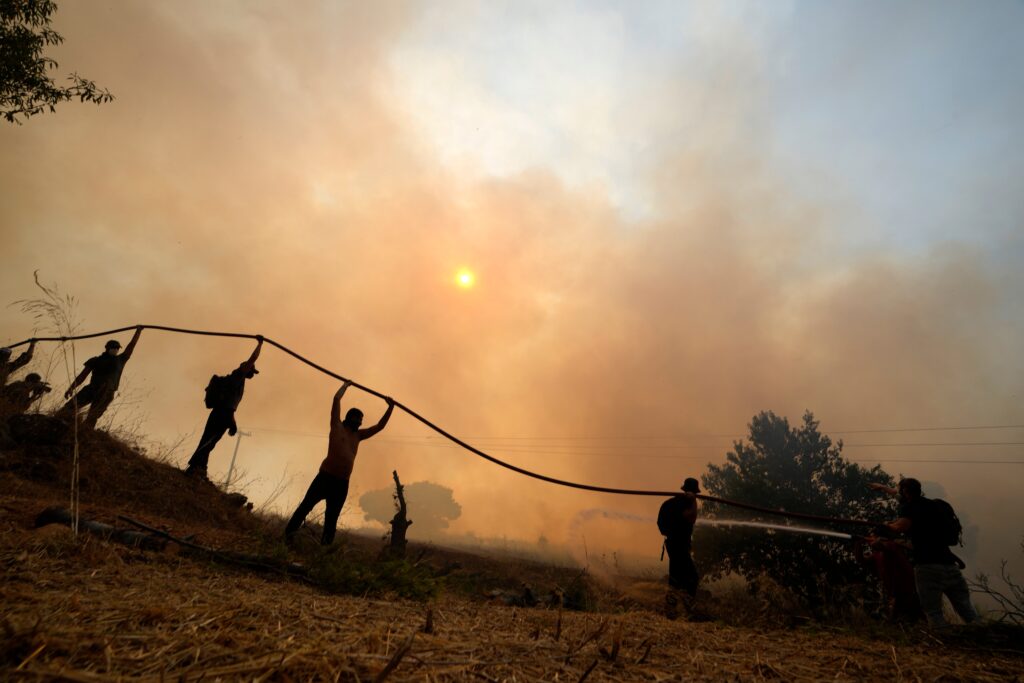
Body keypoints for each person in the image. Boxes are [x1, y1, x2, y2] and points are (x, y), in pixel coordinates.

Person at [285, 381, 395, 546]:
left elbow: (379, 426)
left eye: (361, 420)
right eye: (357, 418)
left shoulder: (359, 436)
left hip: (341, 483)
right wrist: (345, 386)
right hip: (325, 478)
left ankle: (325, 550)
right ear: (349, 417)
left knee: (332, 518)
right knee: (305, 507)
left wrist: (390, 407)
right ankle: (288, 537)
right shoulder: (336, 426)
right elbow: (336, 400)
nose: (359, 422)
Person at [869, 478, 977, 629]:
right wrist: (882, 487)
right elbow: (920, 536)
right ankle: (986, 637)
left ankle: (944, 643)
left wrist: (882, 528)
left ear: (905, 492)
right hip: (950, 567)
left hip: (928, 569)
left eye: (900, 490)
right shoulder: (933, 505)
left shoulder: (909, 509)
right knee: (967, 610)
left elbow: (900, 527)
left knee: (933, 613)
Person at [184, 337, 263, 480]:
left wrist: (232, 423)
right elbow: (253, 358)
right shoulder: (238, 375)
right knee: (208, 442)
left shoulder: (237, 379)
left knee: (209, 442)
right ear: (246, 368)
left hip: (221, 413)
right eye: (252, 370)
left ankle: (200, 469)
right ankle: (195, 469)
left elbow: (229, 406)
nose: (253, 373)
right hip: (222, 414)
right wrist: (260, 344)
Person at [58, 327, 142, 429]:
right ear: (107, 348)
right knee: (68, 408)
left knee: (92, 417)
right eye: (113, 347)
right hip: (92, 389)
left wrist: (138, 331)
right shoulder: (95, 360)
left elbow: (131, 346)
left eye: (117, 348)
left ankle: (85, 434)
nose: (116, 350)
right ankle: (57, 423)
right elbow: (82, 376)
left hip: (107, 392)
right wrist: (71, 388)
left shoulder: (120, 360)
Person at [657, 477, 701, 619]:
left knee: (676, 578)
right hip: (678, 545)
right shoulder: (682, 503)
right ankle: (686, 611)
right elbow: (691, 517)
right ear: (693, 492)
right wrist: (694, 500)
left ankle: (672, 611)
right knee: (692, 578)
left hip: (675, 545)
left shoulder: (677, 502)